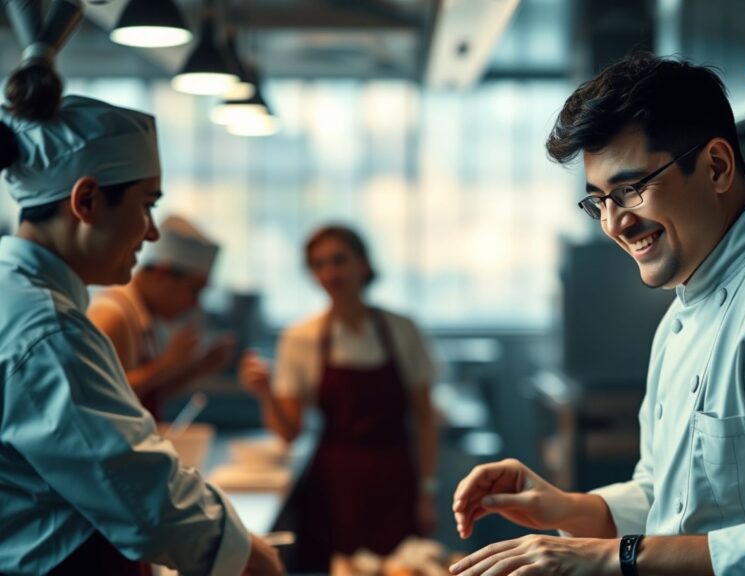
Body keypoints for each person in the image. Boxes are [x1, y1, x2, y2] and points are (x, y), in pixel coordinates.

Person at [450, 52, 745, 576]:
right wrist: (568, 508)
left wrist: (616, 557)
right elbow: (672, 496)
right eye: (598, 202)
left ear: (717, 167)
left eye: (630, 189)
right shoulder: (687, 306)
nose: (614, 223)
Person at [0, 35, 281, 576]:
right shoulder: (48, 331)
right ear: (85, 202)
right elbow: (146, 501)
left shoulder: (27, 303)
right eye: (146, 205)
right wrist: (252, 558)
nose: (151, 233)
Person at [241, 224, 439, 571]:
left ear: (363, 264)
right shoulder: (300, 337)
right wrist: (265, 393)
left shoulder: (401, 329)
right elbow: (289, 432)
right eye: (318, 265)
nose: (330, 273)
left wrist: (427, 490)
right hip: (333, 484)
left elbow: (425, 417)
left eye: (339, 260)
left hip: (395, 475)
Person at [88, 215, 235, 420]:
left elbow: (145, 397)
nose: (195, 304)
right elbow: (97, 399)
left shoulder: (141, 316)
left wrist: (197, 368)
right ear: (162, 274)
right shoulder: (112, 315)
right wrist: (166, 365)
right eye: (194, 291)